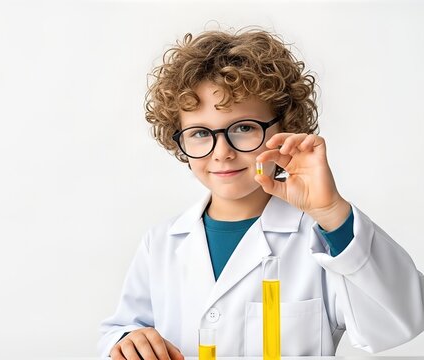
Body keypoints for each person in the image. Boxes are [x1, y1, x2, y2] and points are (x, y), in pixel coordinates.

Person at [97, 27, 424, 359]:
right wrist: (126, 339)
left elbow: (401, 321)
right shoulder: (162, 243)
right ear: (178, 139)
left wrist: (332, 211)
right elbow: (123, 328)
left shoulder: (322, 237)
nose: (221, 152)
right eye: (199, 133)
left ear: (285, 128)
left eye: (243, 128)